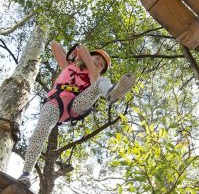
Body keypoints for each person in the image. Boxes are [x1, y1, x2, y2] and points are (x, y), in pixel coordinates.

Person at [18, 43, 134, 184]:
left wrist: (83, 54)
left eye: (102, 65)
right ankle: (25, 173)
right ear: (90, 56)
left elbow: (83, 50)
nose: (98, 63)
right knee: (41, 129)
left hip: (76, 103)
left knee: (101, 82)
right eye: (97, 59)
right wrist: (73, 55)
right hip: (55, 102)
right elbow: (54, 44)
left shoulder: (93, 74)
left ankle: (110, 92)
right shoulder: (68, 67)